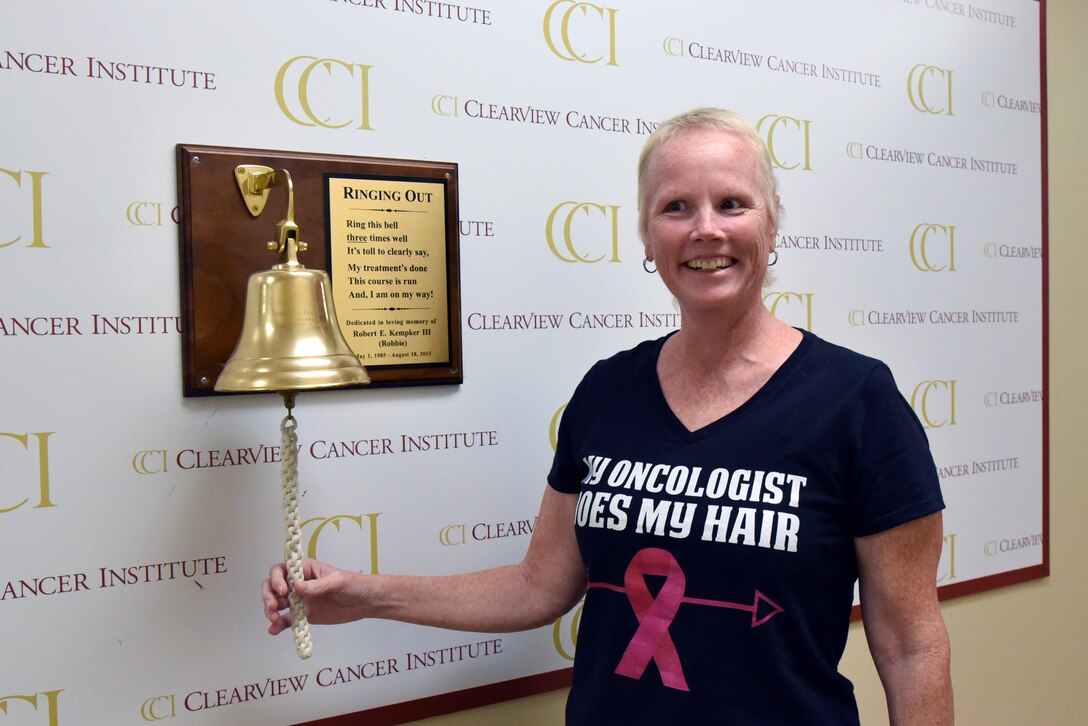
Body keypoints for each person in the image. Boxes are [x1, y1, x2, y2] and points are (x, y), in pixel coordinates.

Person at [263, 107, 953, 724]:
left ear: (771, 225)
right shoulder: (607, 391)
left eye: (732, 204)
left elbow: (910, 643)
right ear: (647, 240)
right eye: (676, 206)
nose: (705, 228)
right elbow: (538, 586)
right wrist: (366, 595)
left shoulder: (859, 401)